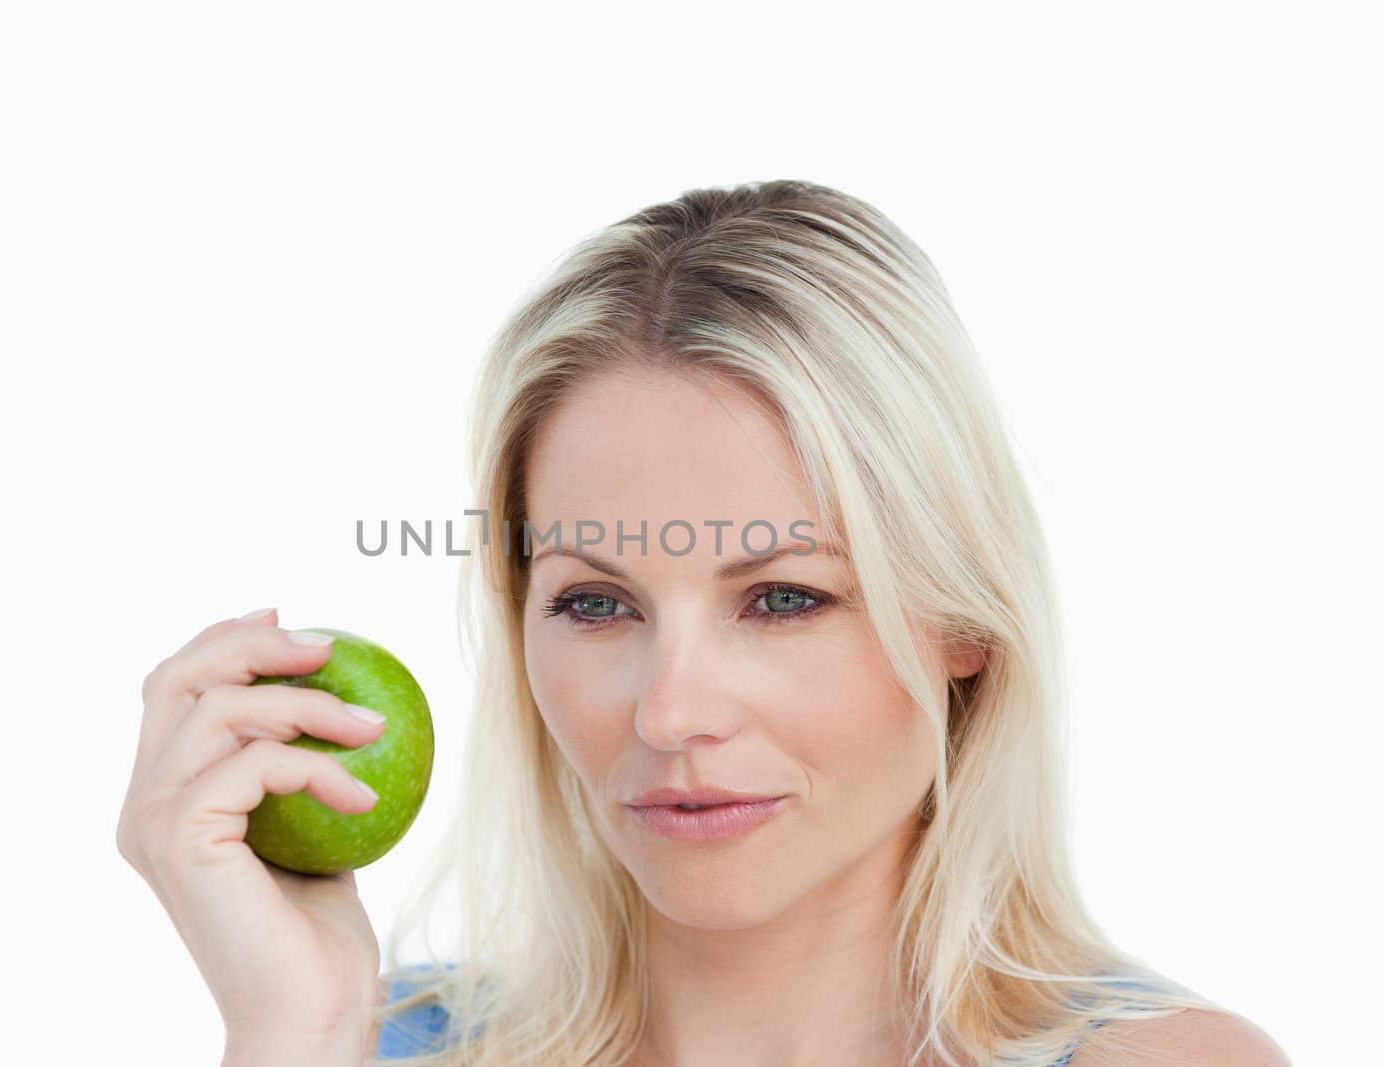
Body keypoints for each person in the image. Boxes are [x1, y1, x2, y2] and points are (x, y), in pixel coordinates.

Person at [117, 180, 1290, 1066]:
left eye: (782, 597)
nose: (669, 709)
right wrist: (296, 1026)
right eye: (593, 601)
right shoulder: (367, 1039)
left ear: (960, 619)